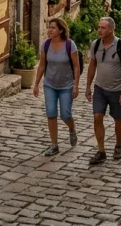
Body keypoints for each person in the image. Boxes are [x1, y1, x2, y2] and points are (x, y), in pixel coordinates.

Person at [85, 17, 121, 165]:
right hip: (100, 88)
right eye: (98, 27)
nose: (99, 30)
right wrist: (88, 86)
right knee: (97, 117)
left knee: (118, 119)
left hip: (117, 89)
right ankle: (101, 151)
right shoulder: (95, 44)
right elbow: (92, 65)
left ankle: (118, 145)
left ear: (111, 29)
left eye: (103, 28)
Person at [32, 19, 80, 156]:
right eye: (49, 27)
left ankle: (72, 128)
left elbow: (76, 66)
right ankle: (54, 145)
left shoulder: (70, 45)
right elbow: (42, 65)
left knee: (65, 114)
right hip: (50, 85)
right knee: (51, 113)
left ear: (61, 30)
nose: (50, 30)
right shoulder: (46, 45)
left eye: (53, 28)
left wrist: (76, 85)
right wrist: (36, 84)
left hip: (66, 85)